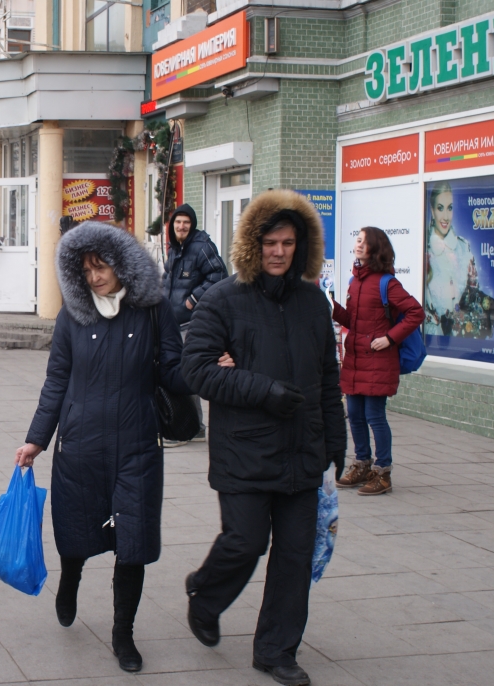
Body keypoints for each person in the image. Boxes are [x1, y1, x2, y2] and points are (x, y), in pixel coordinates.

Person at [180, 190, 346, 686]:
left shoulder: (314, 302)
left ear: (302, 247)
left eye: (288, 243)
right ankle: (206, 596)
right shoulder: (224, 299)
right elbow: (196, 370)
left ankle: (276, 650)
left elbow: (328, 378)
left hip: (302, 453)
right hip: (244, 450)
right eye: (270, 242)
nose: (278, 252)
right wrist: (262, 389)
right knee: (246, 541)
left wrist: (335, 442)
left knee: (294, 557)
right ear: (254, 244)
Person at [15, 221, 190, 673]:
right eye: (87, 269)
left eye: (102, 266)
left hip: (136, 446)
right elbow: (57, 381)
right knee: (75, 531)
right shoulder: (73, 316)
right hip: (80, 446)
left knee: (132, 543)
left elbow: (173, 371)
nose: (95, 277)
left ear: (122, 264)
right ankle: (69, 580)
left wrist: (209, 365)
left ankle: (122, 635)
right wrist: (37, 439)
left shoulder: (153, 311)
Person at [332, 227, 423, 496]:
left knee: (374, 416)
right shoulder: (354, 281)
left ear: (374, 247)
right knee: (356, 416)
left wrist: (390, 338)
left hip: (379, 361)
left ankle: (383, 471)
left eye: (362, 241)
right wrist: (333, 307)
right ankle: (362, 464)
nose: (357, 244)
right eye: (356, 240)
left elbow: (415, 312)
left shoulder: (387, 283)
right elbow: (353, 320)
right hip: (356, 359)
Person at [162, 204, 228, 444]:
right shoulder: (175, 248)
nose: (182, 226)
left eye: (186, 222)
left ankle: (189, 425)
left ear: (192, 224)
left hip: (192, 322)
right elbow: (168, 280)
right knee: (180, 372)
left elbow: (220, 276)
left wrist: (193, 299)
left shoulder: (201, 246)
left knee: (187, 371)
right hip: (173, 322)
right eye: (178, 222)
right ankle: (190, 424)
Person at [424, 182, 478, 336]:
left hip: (461, 337)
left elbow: (473, 294)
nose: (446, 217)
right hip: (432, 337)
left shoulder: (463, 248)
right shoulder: (424, 251)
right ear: (432, 211)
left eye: (450, 208)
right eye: (440, 208)